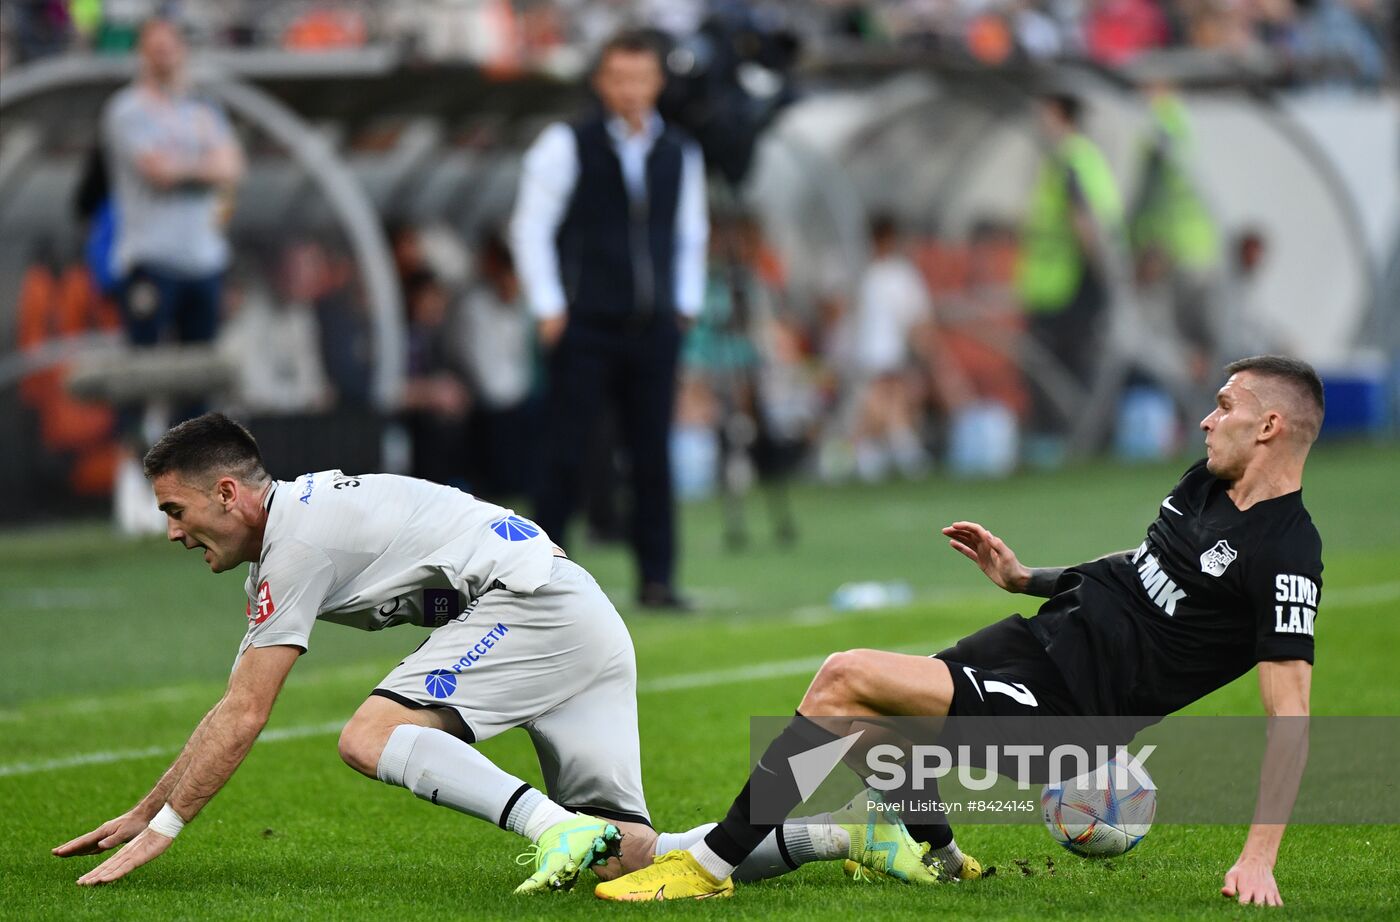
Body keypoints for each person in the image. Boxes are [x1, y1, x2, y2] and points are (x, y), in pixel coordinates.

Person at [51, 413, 927, 891]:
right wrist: (143, 805)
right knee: (629, 853)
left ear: (230, 493)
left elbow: (248, 713)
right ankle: (835, 832)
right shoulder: (292, 536)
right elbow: (228, 706)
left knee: (368, 735)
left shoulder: (298, 543)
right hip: (569, 613)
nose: (172, 531)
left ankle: (551, 827)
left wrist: (164, 831)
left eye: (176, 510)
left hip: (534, 607)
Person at [599, 355, 1323, 906]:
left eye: (1224, 406)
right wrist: (1028, 577)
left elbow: (1290, 715)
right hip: (1037, 643)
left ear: (1268, 427)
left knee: (844, 677)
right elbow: (1138, 566)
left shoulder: (1285, 551)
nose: (1206, 418)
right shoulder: (1205, 483)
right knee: (860, 724)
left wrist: (1260, 857)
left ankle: (705, 870)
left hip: (1072, 710)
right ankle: (940, 856)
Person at [509, 30, 708, 610]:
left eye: (641, 78)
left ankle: (657, 578)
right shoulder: (566, 143)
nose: (630, 90)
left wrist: (686, 302)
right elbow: (531, 227)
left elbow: (691, 234)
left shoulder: (679, 150)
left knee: (652, 453)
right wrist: (549, 305)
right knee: (565, 451)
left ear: (658, 82)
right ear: (601, 82)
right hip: (586, 323)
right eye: (619, 78)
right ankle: (537, 574)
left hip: (654, 326)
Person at [1014, 93, 1122, 462]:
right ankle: (1074, 438)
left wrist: (1101, 276)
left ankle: (1069, 440)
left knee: (1061, 367)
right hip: (1056, 282)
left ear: (1058, 113)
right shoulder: (1076, 156)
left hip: (1069, 283)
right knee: (1064, 365)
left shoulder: (1070, 158)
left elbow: (1084, 219)